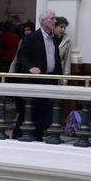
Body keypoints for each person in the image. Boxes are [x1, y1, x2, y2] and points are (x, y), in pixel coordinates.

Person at [11, 10, 64, 140]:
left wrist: (60, 76)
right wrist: (30, 68)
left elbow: (55, 59)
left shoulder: (54, 38)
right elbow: (21, 56)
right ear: (44, 21)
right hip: (35, 81)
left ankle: (37, 137)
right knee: (28, 112)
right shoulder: (32, 37)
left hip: (50, 80)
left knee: (45, 113)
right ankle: (17, 138)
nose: (55, 21)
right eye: (52, 18)